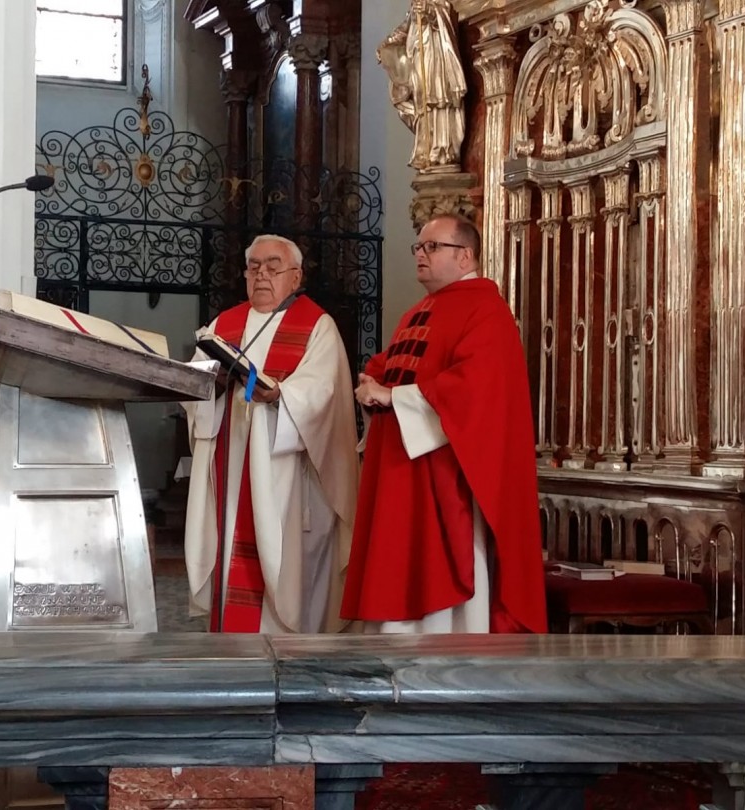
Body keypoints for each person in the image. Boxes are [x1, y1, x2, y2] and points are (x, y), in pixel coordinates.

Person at [342, 214, 547, 634]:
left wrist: (392, 396)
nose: (420, 254)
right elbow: (396, 365)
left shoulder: (486, 309)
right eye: (418, 247)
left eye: (432, 247)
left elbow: (475, 389)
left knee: (439, 558)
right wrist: (371, 383)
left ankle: (446, 644)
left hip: (446, 471)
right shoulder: (422, 310)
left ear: (465, 255)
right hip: (403, 461)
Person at [183, 235, 359, 633]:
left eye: (273, 267)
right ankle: (234, 648)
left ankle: (292, 650)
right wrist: (211, 384)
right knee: (231, 547)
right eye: (254, 267)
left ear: (295, 276)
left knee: (286, 562)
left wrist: (281, 395)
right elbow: (194, 385)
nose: (262, 275)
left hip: (286, 475)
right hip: (231, 465)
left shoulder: (317, 327)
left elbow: (324, 394)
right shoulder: (223, 325)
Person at [377, 0, 467, 172]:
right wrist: (386, 45)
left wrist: (430, 13)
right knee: (420, 102)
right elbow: (406, 27)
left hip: (436, 56)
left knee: (438, 99)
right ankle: (427, 149)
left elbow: (447, 17)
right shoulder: (416, 5)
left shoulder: (439, 3)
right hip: (419, 57)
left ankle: (442, 150)